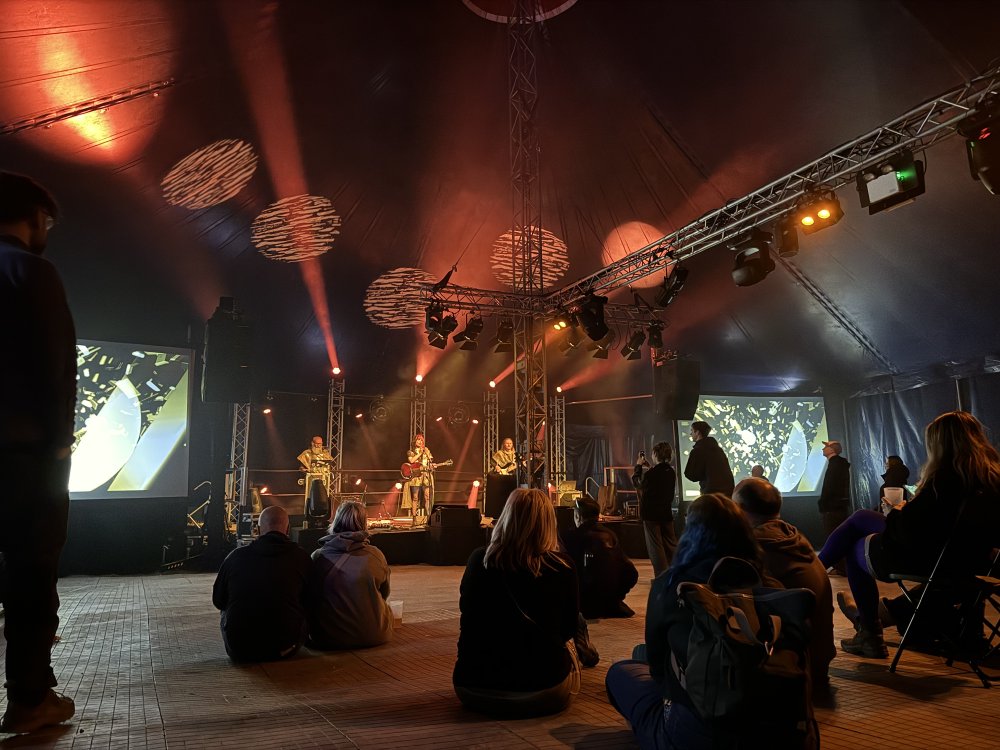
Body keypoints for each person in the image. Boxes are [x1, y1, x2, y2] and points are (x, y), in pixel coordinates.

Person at [606, 494, 813, 749]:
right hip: (783, 735)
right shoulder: (770, 586)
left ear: (691, 533)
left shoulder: (672, 586)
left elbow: (658, 671)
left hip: (699, 734)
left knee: (620, 672)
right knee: (642, 653)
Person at [818, 411, 1000, 659]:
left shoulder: (943, 481)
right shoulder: (991, 481)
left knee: (854, 541)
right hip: (968, 562)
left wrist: (897, 511)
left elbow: (908, 530)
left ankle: (862, 625)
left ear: (940, 445)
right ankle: (824, 584)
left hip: (927, 559)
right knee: (860, 518)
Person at [0, 172, 77, 734]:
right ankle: (29, 701)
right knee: (30, 579)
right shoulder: (32, 272)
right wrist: (57, 449)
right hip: (22, 459)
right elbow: (57, 369)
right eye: (46, 221)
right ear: (30, 218)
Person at [454, 488, 580, 718]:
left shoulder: (479, 561)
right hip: (543, 689)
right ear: (548, 523)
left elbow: (468, 617)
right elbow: (569, 628)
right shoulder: (562, 567)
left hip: (474, 687)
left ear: (505, 517)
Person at [733, 477, 835, 689]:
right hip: (818, 663)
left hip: (787, 671)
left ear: (740, 510)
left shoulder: (752, 550)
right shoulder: (795, 539)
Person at [212, 506, 312, 662]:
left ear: (257, 529)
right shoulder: (302, 558)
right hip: (286, 648)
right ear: (288, 529)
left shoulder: (235, 557)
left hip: (240, 649)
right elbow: (313, 602)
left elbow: (218, 601)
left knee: (227, 607)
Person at [306, 500, 393, 649]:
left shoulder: (318, 557)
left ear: (335, 521)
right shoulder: (376, 555)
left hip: (330, 637)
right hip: (375, 635)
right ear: (364, 524)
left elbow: (310, 597)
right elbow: (384, 593)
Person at [561, 495, 638, 618]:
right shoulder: (610, 535)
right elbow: (631, 572)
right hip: (612, 604)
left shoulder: (573, 537)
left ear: (578, 516)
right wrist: (618, 595)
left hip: (585, 604)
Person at [632, 442, 678, 577]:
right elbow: (659, 475)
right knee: (671, 545)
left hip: (651, 514)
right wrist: (649, 467)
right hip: (666, 512)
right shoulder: (670, 471)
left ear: (655, 454)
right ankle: (676, 572)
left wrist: (638, 466)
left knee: (656, 547)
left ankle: (661, 576)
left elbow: (637, 483)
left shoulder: (651, 474)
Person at [818, 440, 851, 573]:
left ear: (832, 449)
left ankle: (841, 567)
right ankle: (840, 566)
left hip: (832, 508)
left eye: (826, 446)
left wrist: (824, 504)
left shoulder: (835, 465)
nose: (823, 448)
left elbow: (830, 487)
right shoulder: (839, 464)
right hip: (837, 507)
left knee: (834, 537)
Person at [684, 421, 735, 497]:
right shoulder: (718, 450)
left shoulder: (697, 451)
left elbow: (691, 474)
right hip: (727, 494)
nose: (690, 434)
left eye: (692, 430)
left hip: (710, 494)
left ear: (697, 432)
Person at [406, 433, 434, 516]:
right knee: (415, 498)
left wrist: (432, 466)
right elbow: (411, 461)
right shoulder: (411, 452)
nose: (420, 441)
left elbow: (430, 461)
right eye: (419, 439)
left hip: (425, 475)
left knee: (427, 497)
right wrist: (420, 453)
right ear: (415, 441)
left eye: (422, 440)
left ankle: (429, 516)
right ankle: (414, 517)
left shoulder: (426, 450)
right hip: (416, 476)